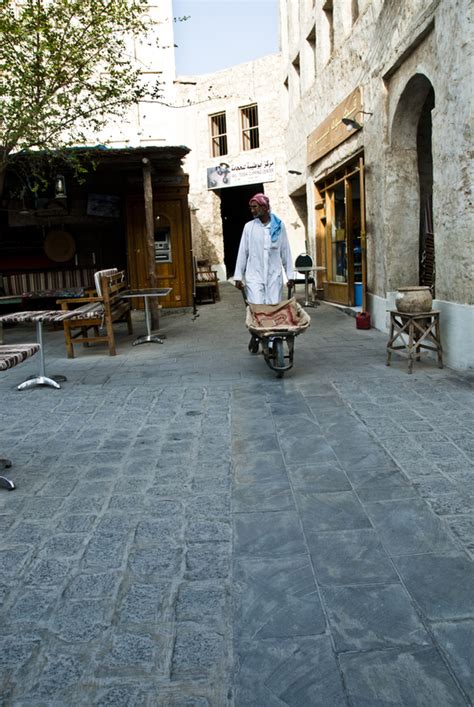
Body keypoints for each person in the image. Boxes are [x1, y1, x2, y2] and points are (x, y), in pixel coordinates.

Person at [234, 193, 295, 304]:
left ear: (265, 207)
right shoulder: (249, 227)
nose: (252, 210)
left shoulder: (279, 226)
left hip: (274, 276)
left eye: (255, 207)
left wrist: (290, 275)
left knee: (273, 309)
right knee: (257, 309)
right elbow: (243, 252)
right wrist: (238, 276)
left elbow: (285, 251)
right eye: (251, 208)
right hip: (254, 276)